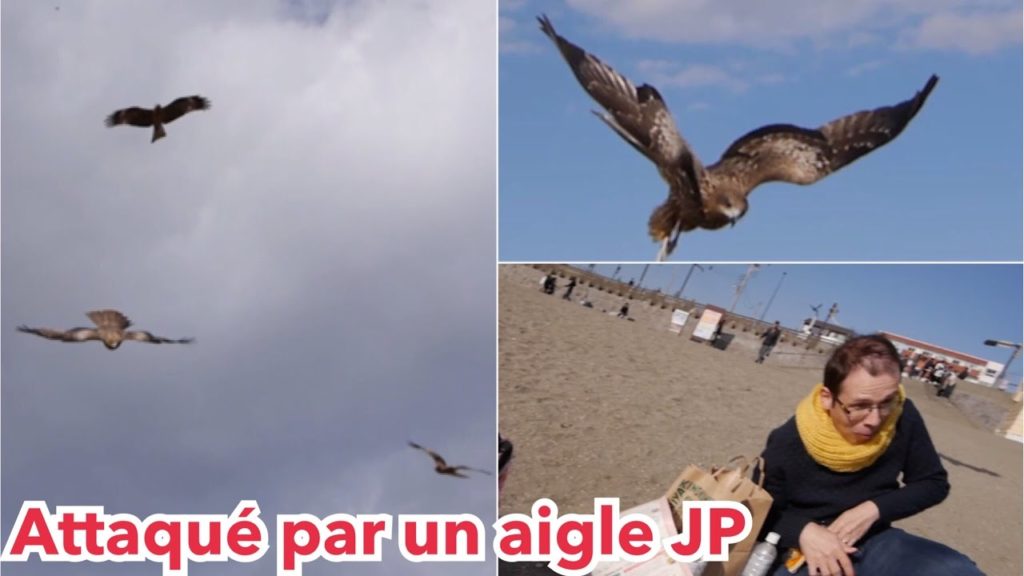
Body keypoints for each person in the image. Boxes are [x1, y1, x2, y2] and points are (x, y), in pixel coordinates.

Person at [758, 334, 983, 576]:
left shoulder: (901, 415)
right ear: (827, 398)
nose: (874, 420)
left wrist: (873, 509)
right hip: (805, 550)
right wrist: (804, 531)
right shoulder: (787, 440)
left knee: (956, 570)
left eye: (886, 402)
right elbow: (759, 513)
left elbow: (933, 482)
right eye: (859, 406)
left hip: (875, 540)